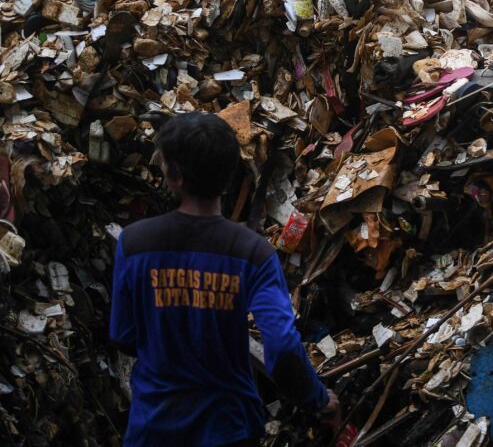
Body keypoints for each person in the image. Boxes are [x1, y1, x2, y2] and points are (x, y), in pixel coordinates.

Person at [110, 112, 338, 446]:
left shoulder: (134, 243)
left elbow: (123, 336)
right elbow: (283, 346)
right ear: (231, 175)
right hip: (229, 427)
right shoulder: (253, 253)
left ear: (173, 176)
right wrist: (318, 400)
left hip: (154, 426)